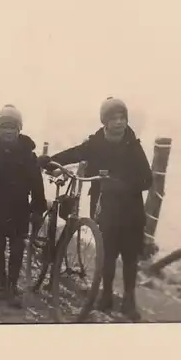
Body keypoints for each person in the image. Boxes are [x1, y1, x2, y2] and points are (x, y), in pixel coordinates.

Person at [38, 97, 152, 321]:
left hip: (131, 210)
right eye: (114, 118)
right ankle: (106, 296)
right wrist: (51, 161)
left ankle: (129, 300)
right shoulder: (96, 143)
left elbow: (147, 180)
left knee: (129, 256)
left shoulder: (133, 146)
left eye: (123, 118)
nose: (119, 123)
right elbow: (76, 153)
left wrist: (121, 184)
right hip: (105, 207)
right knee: (107, 253)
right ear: (104, 122)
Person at [0, 104, 47, 308]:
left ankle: (13, 284)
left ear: (19, 129)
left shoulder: (27, 152)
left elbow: (36, 182)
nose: (8, 131)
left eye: (13, 127)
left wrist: (37, 208)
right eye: (4, 127)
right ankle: (1, 282)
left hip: (19, 208)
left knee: (17, 246)